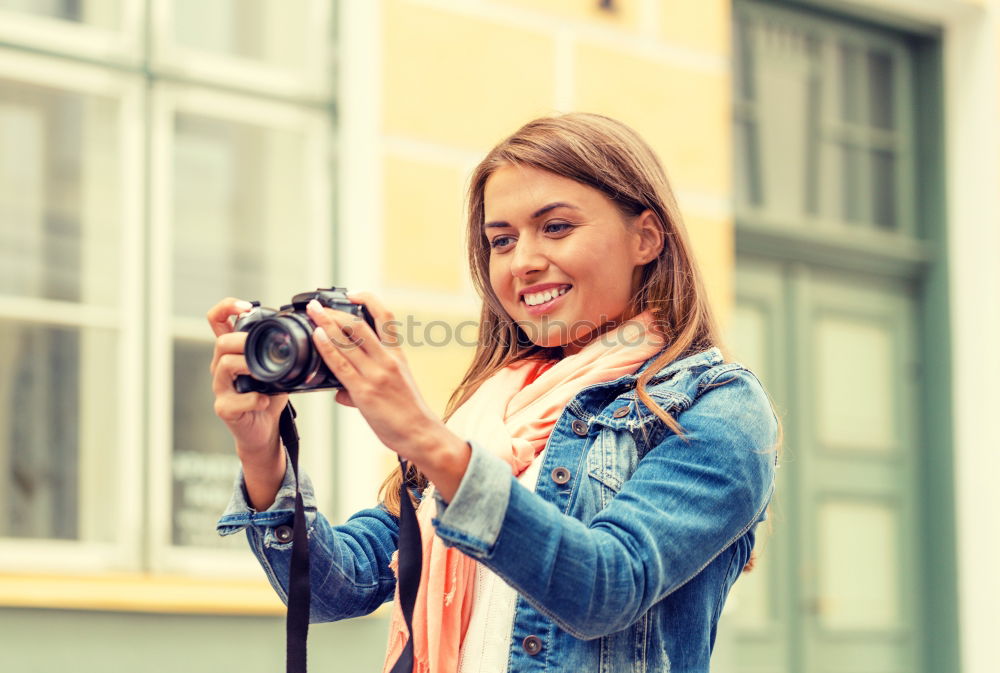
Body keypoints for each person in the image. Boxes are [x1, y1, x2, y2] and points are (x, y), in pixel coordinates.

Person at [209, 113, 779, 673]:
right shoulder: (490, 412)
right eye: (501, 240)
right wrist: (262, 452)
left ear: (646, 237)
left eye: (556, 227)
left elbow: (606, 587)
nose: (523, 262)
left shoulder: (716, 405)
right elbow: (340, 588)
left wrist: (425, 438)